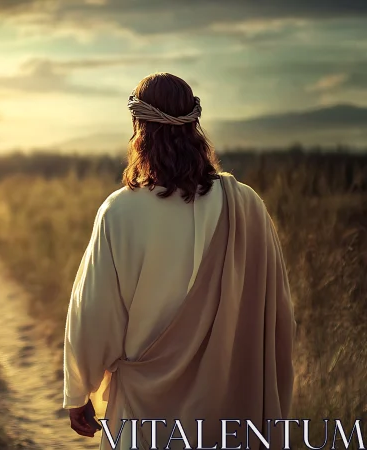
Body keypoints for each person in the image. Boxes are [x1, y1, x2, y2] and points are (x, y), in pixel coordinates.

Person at [62, 73, 296, 450]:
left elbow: (94, 314)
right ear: (194, 127)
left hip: (145, 416)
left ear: (139, 129)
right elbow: (278, 312)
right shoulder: (246, 204)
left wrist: (78, 391)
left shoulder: (119, 213)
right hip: (231, 408)